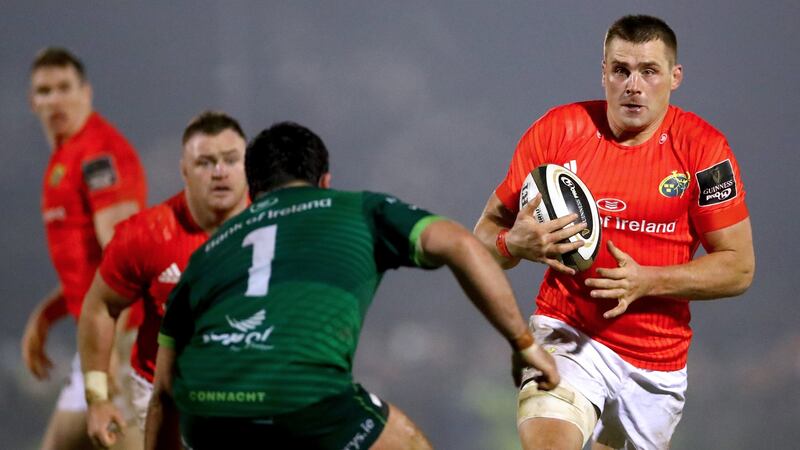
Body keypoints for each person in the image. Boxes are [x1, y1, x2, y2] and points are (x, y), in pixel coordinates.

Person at [144, 121, 560, 449]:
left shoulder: (206, 254)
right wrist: (522, 343)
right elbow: (462, 245)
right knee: (408, 443)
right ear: (324, 180)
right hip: (302, 398)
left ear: (252, 193)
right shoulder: (358, 210)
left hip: (207, 415)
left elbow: (163, 394)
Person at [474, 14, 754, 450]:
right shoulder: (558, 132)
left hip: (655, 360)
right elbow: (479, 243)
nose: (633, 85)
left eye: (649, 71)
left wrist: (649, 281)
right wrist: (513, 243)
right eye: (621, 70)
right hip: (568, 333)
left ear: (675, 77)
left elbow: (738, 269)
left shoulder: (705, 151)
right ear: (603, 72)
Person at [77, 111, 250, 448]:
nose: (219, 172)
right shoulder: (146, 235)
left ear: (248, 166)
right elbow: (99, 307)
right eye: (205, 162)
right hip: (164, 396)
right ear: (184, 170)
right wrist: (97, 398)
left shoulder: (278, 228)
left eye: (231, 160)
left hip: (249, 390)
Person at [21, 47, 148, 450]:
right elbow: (89, 268)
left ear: (87, 92)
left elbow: (125, 260)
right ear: (32, 101)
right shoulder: (65, 156)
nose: (55, 99)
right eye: (44, 91)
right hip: (95, 338)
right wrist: (48, 313)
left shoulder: (98, 156)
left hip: (123, 338)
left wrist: (108, 346)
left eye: (64, 88)